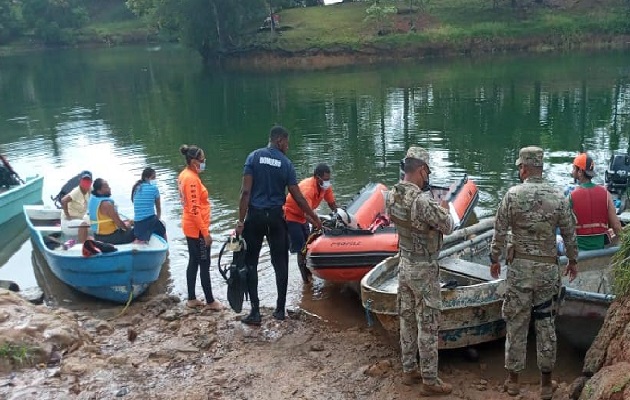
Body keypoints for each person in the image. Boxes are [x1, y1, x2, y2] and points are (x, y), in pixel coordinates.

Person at [489, 146, 579, 400]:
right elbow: (570, 233)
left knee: (516, 322)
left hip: (519, 271)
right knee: (545, 324)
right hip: (548, 270)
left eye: (520, 166)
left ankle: (513, 381)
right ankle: (546, 385)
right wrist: (573, 260)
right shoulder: (558, 196)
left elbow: (499, 231)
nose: (519, 170)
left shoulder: (512, 195)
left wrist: (494, 258)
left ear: (526, 168)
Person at [235, 125, 322, 325]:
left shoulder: (253, 157)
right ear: (280, 140)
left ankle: (255, 312)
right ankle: (280, 310)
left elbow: (245, 192)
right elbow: (298, 197)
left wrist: (241, 221)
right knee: (280, 263)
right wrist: (314, 217)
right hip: (276, 218)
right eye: (287, 142)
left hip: (255, 217)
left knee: (251, 263)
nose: (288, 147)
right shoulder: (285, 164)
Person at [386, 146, 454, 396]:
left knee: (407, 318)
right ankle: (429, 380)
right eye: (428, 171)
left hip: (404, 263)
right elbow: (446, 226)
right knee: (427, 323)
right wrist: (444, 207)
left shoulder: (391, 195)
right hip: (424, 269)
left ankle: (408, 369)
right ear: (422, 170)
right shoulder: (422, 201)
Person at [178, 144, 223, 311]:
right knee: (204, 263)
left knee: (193, 261)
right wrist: (205, 234)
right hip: (196, 229)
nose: (204, 162)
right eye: (202, 160)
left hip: (191, 227)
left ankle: (191, 298)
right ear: (193, 161)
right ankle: (211, 301)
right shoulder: (190, 179)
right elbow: (194, 209)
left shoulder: (185, 174)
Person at [284, 163, 337, 283]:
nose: (327, 182)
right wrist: (318, 223)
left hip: (304, 217)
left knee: (308, 244)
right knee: (301, 248)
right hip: (291, 216)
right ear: (317, 178)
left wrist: (341, 215)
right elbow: (307, 213)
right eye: (325, 180)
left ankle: (310, 274)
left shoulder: (325, 187)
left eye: (329, 179)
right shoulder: (308, 189)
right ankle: (306, 281)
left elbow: (332, 203)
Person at [569, 153, 622, 250]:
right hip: (599, 247)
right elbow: (616, 225)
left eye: (574, 169)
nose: (572, 172)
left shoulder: (572, 196)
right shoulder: (606, 194)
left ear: (580, 172)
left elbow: (565, 227)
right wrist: (621, 243)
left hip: (579, 249)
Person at [88, 178, 136, 245]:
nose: (109, 188)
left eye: (108, 186)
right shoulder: (107, 204)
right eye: (106, 187)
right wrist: (128, 228)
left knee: (129, 223)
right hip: (110, 238)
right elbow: (119, 224)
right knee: (138, 229)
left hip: (97, 236)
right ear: (99, 191)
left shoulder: (93, 200)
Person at [131, 167, 166, 242]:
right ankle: (166, 252)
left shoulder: (136, 188)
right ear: (146, 178)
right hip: (148, 221)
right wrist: (158, 218)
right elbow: (158, 207)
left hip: (137, 223)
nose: (154, 180)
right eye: (153, 178)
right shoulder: (154, 188)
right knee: (163, 228)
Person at [60, 170, 92, 243]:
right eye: (84, 180)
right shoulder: (76, 192)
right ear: (80, 180)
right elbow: (63, 200)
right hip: (68, 222)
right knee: (84, 225)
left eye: (88, 180)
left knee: (96, 221)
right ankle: (82, 246)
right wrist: (68, 216)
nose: (86, 182)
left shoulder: (90, 189)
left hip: (80, 217)